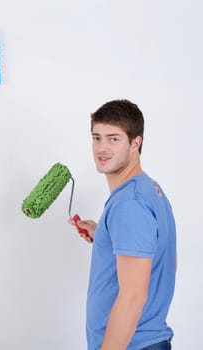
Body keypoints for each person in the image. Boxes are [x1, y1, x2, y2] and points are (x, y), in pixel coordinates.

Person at [73, 99, 177, 350]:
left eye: (113, 139)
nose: (102, 148)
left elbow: (133, 296)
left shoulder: (128, 205)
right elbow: (160, 256)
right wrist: (105, 236)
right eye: (96, 137)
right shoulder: (148, 189)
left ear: (135, 143)